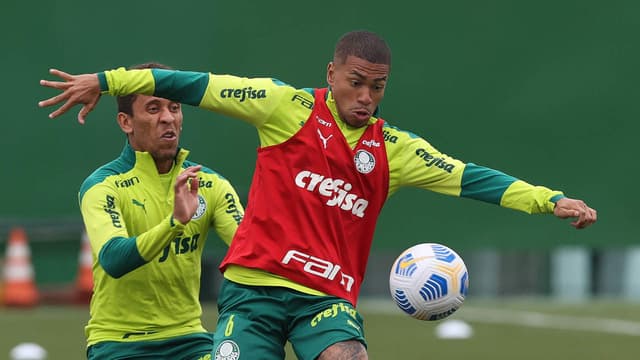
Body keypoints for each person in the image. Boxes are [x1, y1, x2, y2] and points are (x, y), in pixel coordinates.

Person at [38, 31, 597, 360]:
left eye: (377, 86)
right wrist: (110, 79)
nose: (365, 95)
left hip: (324, 297)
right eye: (355, 81)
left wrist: (549, 200)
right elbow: (197, 83)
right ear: (331, 73)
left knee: (347, 357)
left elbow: (472, 177)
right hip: (252, 294)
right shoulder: (283, 106)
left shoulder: (393, 148)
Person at [58, 62, 245, 360]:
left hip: (189, 339)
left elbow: (253, 250)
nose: (168, 118)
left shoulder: (212, 185)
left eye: (174, 107)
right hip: (118, 344)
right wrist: (174, 223)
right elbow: (114, 258)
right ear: (126, 122)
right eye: (154, 109)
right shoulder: (102, 186)